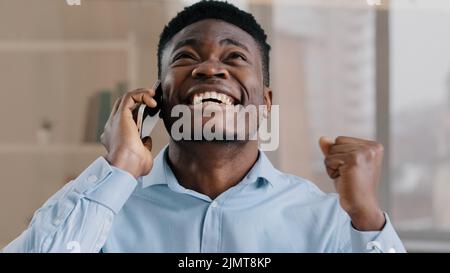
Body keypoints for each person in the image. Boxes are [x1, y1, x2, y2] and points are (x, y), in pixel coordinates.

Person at [3, 0, 405, 253]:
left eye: (234, 57)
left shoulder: (327, 221)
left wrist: (368, 220)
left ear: (265, 103)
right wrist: (118, 168)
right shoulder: (101, 209)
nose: (210, 67)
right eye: (185, 57)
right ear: (158, 94)